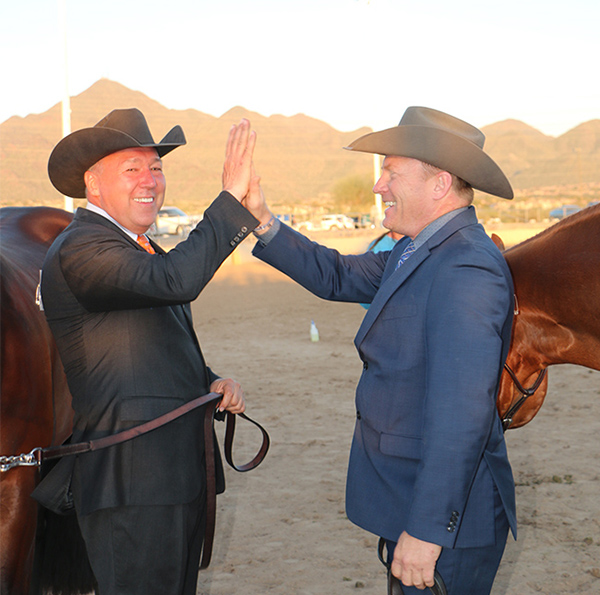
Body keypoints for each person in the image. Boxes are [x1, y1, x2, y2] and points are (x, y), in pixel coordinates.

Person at [245, 107, 516, 594]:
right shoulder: (417, 252)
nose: (378, 185)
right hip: (411, 501)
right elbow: (335, 275)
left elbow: (463, 413)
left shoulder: (466, 268)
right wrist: (263, 220)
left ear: (439, 184)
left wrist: (428, 530)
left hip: (446, 528)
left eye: (391, 172)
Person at [33, 108, 260, 595]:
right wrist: (230, 200)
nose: (150, 180)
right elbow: (178, 281)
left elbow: (153, 345)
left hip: (174, 478)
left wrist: (210, 382)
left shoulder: (138, 247)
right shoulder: (82, 248)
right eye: (132, 168)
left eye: (156, 168)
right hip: (132, 485)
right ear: (93, 185)